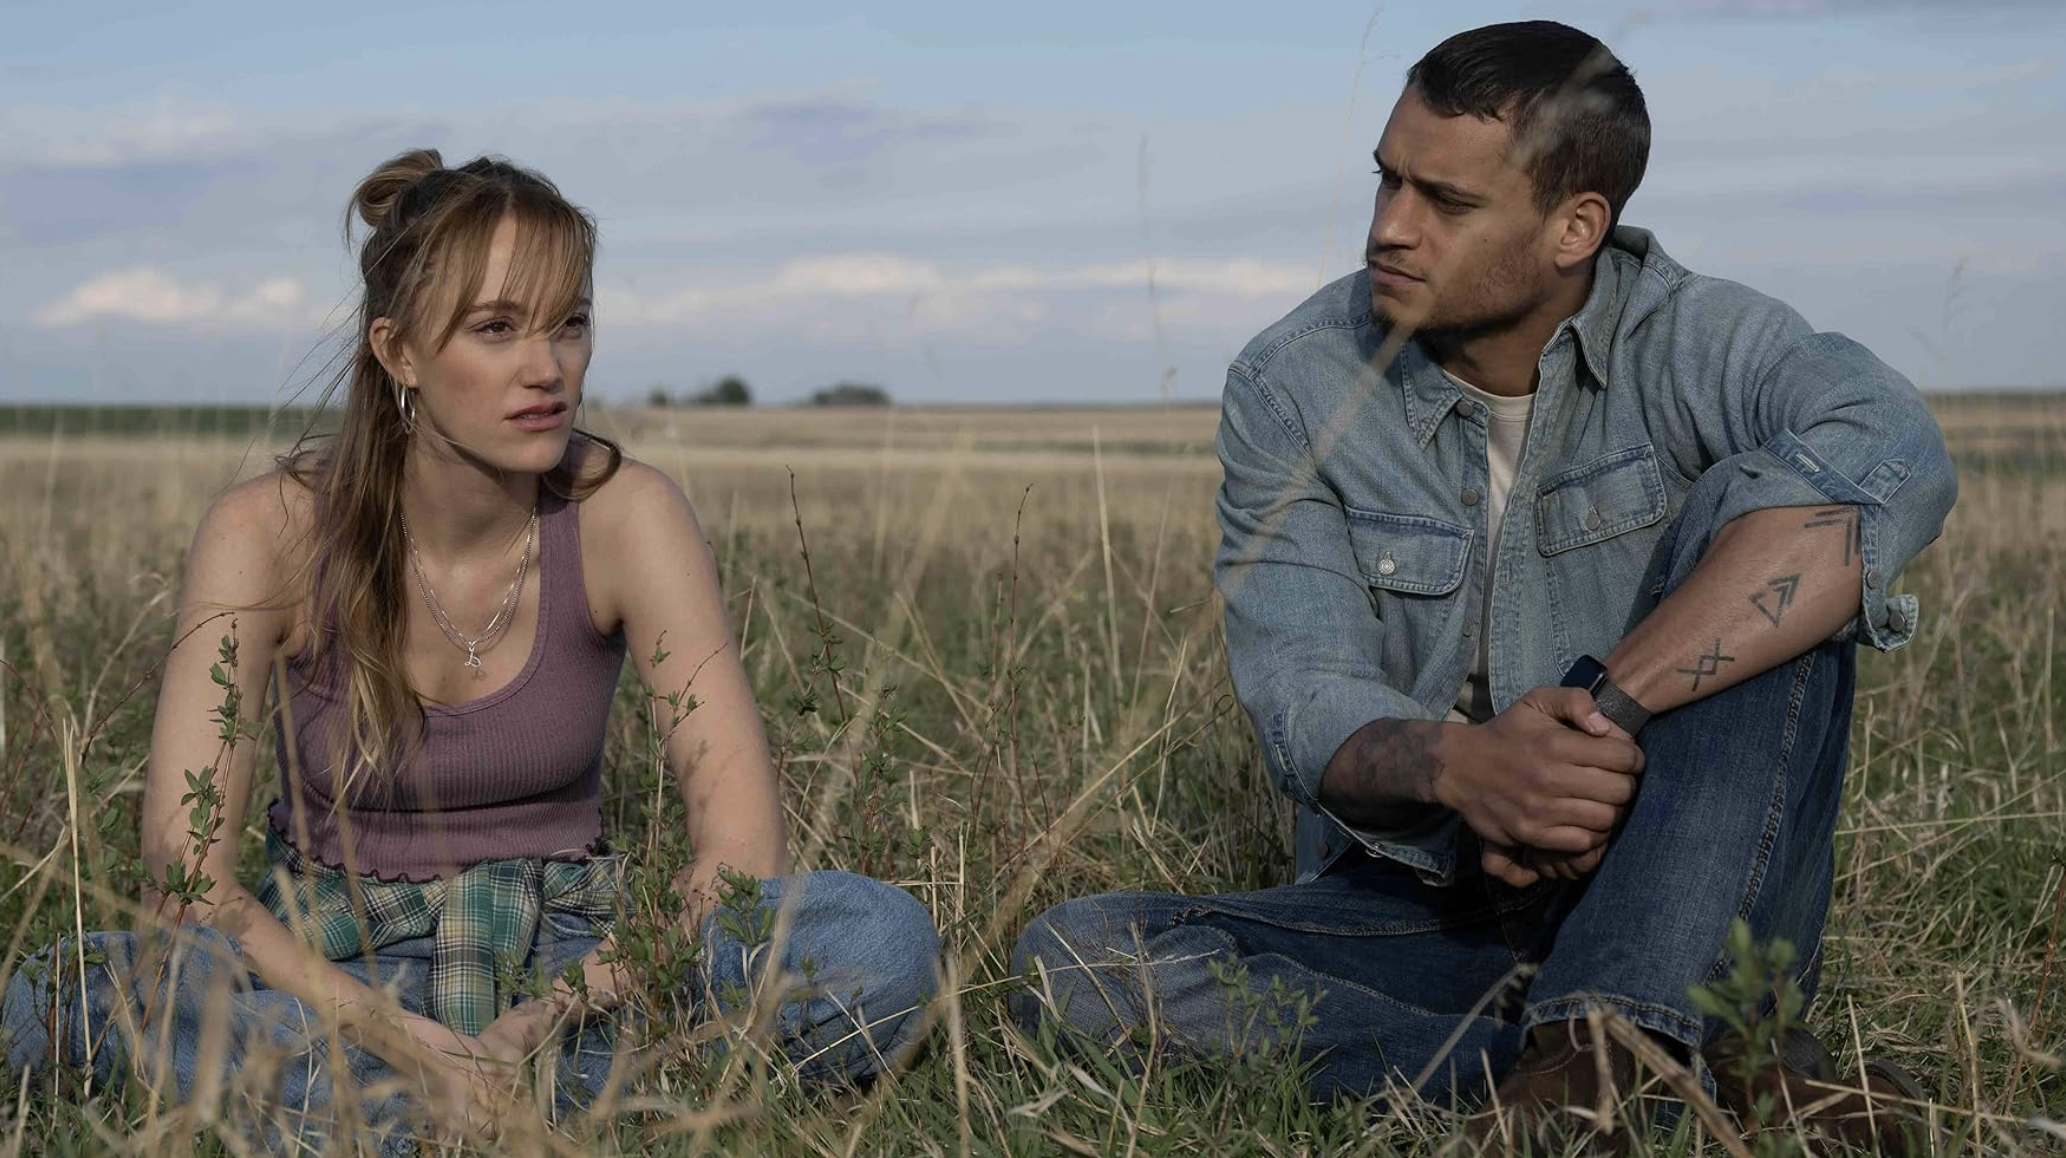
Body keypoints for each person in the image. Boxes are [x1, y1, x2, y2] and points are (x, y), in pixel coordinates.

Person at [1012, 21, 1953, 1153]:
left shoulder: (1698, 338)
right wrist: (1470, 770)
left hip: (1682, 874)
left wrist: (1597, 723)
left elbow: (1892, 456)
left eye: (1443, 203)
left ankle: (1615, 1039)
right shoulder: (1295, 381)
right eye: (1385, 180)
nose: (1387, 230)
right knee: (1075, 963)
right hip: (1432, 898)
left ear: (1574, 228)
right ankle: (1655, 1075)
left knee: (1769, 515)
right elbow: (1302, 695)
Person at [2, 150, 940, 1151]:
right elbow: (189, 883)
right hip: (332, 968)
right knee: (66, 989)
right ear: (397, 351)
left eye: (569, 323)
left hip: (577, 967)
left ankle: (395, 1113)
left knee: (881, 940)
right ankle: (492, 1106)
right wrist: (396, 1035)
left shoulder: (629, 515)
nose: (547, 368)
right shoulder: (266, 532)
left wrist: (538, 1024)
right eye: (495, 329)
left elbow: (741, 859)